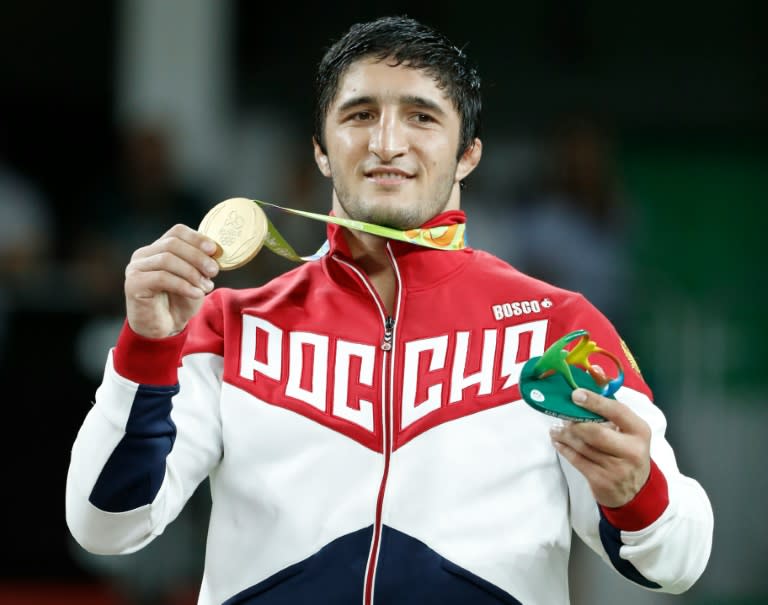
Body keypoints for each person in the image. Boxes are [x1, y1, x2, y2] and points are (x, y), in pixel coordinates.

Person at [66, 16, 713, 605]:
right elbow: (107, 524)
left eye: (421, 117)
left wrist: (638, 491)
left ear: (468, 154)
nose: (386, 142)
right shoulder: (230, 325)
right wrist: (147, 347)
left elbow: (677, 559)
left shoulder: (556, 328)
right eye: (359, 114)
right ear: (321, 148)